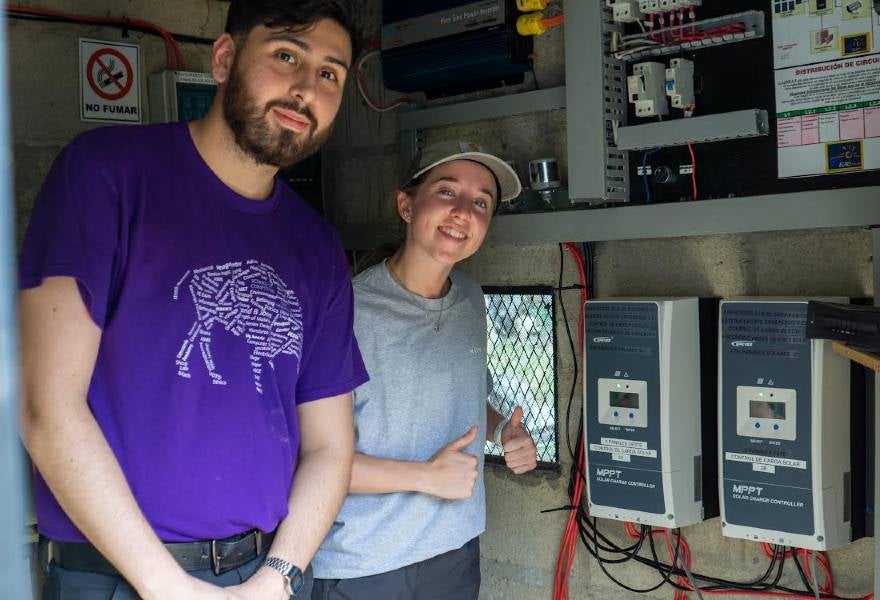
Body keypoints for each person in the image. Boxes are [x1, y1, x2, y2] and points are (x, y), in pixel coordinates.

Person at [17, 2, 368, 598]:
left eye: (329, 74)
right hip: (115, 576)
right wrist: (166, 586)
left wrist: (277, 580)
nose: (305, 88)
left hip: (264, 571)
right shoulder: (105, 174)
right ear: (226, 59)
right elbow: (46, 408)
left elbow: (331, 445)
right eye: (287, 55)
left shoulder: (316, 246)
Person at [311, 141, 539, 600]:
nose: (463, 212)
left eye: (480, 202)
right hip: (366, 563)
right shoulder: (345, 312)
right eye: (447, 191)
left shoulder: (470, 300)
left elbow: (470, 401)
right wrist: (423, 477)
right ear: (406, 205)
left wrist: (503, 433)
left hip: (453, 551)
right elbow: (311, 460)